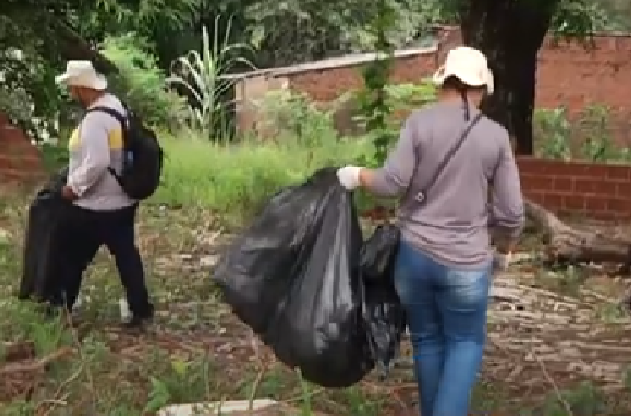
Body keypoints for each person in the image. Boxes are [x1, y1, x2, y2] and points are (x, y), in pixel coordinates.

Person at [336, 46, 525, 416]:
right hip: (468, 264)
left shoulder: (419, 124)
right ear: (480, 88)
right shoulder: (496, 137)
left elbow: (392, 183)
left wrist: (356, 175)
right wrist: (503, 249)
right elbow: (512, 212)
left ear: (446, 82)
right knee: (465, 342)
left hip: (414, 259)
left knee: (427, 341)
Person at [52, 60, 154, 328]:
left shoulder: (96, 119)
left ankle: (64, 306)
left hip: (95, 205)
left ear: (82, 88)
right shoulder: (116, 106)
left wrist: (73, 188)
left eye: (72, 88)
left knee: (72, 256)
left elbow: (97, 161)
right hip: (122, 201)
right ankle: (140, 309)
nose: (71, 93)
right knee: (126, 256)